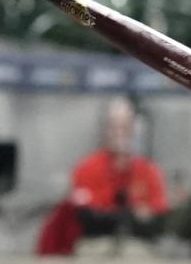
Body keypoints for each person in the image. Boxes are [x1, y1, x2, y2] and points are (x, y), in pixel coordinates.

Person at [69, 99, 170, 242]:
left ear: (135, 129)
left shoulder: (149, 171)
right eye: (114, 127)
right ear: (106, 129)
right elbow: (86, 218)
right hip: (96, 244)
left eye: (125, 127)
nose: (120, 133)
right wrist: (132, 214)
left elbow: (158, 220)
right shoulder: (86, 168)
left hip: (139, 246)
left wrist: (109, 213)